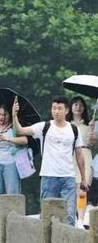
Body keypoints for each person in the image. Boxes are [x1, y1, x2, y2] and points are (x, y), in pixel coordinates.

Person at [13, 95, 87, 226]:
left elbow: (79, 155)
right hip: (48, 177)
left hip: (68, 177)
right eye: (54, 108)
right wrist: (14, 115)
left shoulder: (74, 130)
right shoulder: (44, 127)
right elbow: (20, 130)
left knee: (69, 216)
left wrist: (83, 178)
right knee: (47, 216)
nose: (56, 111)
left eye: (60, 108)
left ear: (66, 111)